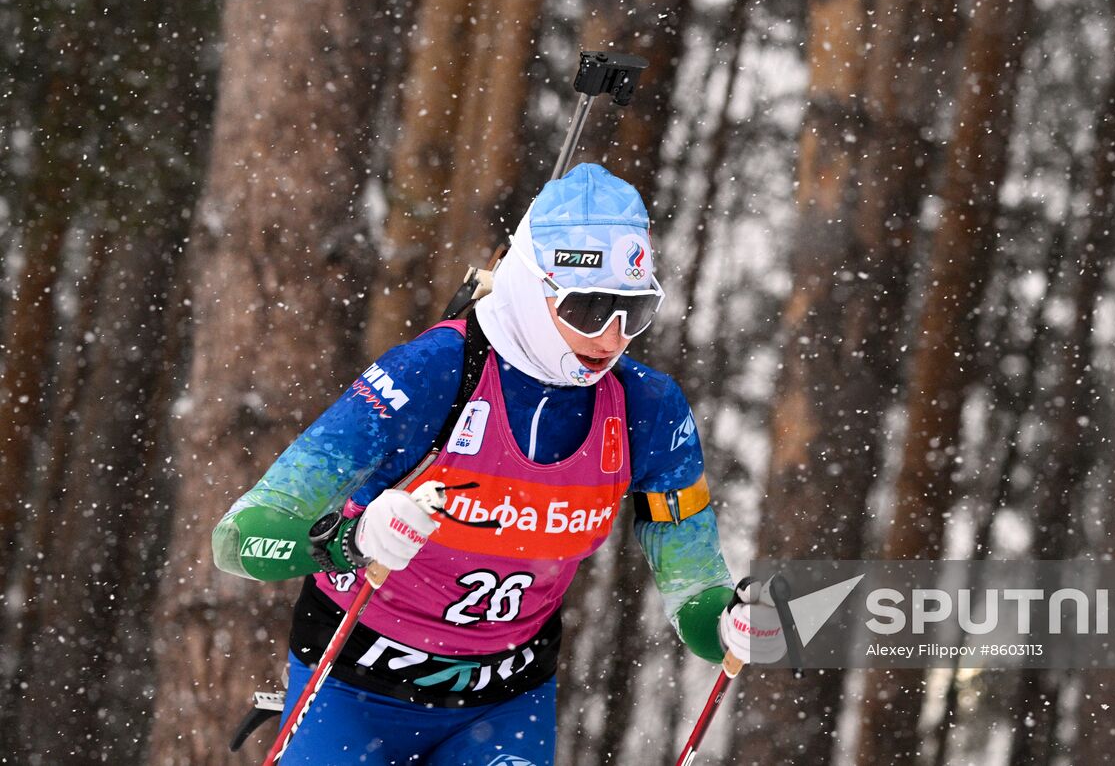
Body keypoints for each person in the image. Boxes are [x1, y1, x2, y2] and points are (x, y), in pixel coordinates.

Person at [213, 163, 785, 766]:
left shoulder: (647, 409)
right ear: (531, 289)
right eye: (589, 308)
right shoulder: (432, 374)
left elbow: (693, 582)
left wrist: (725, 624)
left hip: (501, 705)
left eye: (634, 311)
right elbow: (240, 538)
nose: (612, 336)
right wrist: (351, 541)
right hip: (349, 687)